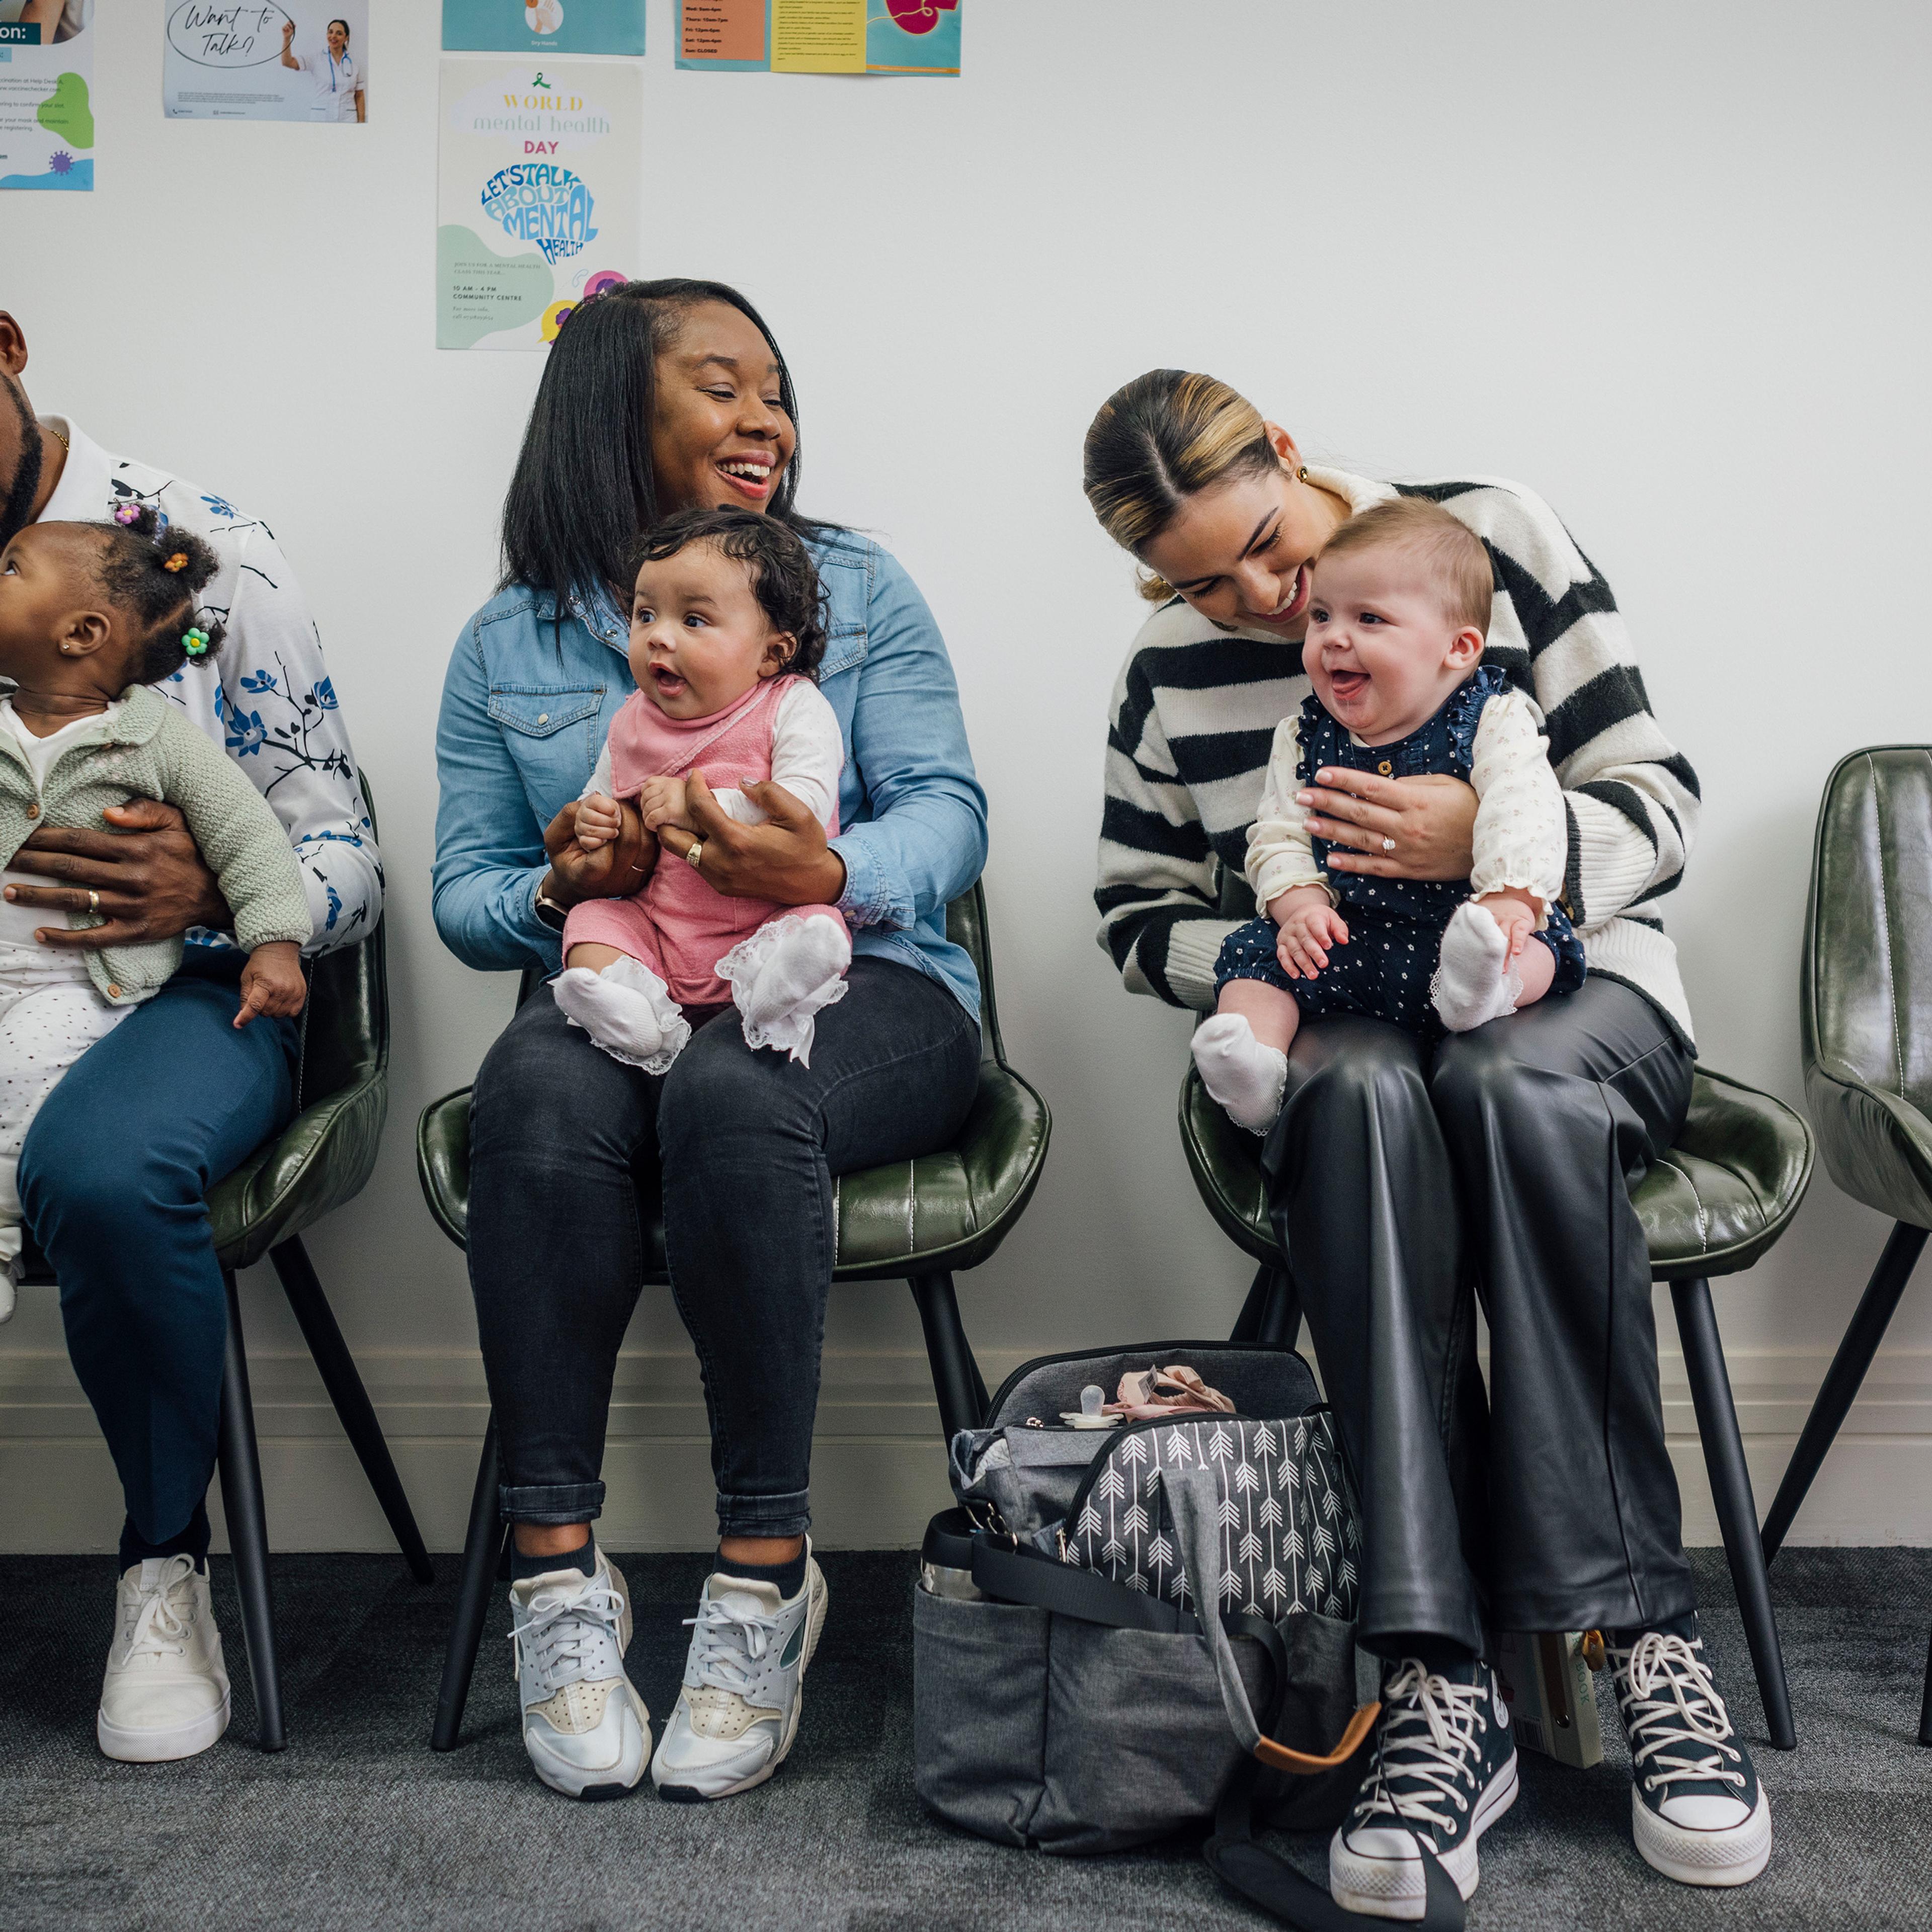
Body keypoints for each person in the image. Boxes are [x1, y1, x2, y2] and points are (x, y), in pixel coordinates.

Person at [1085, 369, 1768, 1913]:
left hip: (1569, 997)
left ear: (1281, 446)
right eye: (1199, 581)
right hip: (1337, 1027)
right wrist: (1275, 947)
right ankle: (1432, 1672)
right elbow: (1132, 915)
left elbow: (1660, 799)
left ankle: (1631, 1633)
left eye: (1263, 548)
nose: (1260, 604)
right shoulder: (1165, 676)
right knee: (1361, 1093)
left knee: (1503, 1086)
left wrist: (1492, 849)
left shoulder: (1490, 534)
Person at [434, 278, 985, 1805]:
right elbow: (466, 898)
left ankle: (761, 1580)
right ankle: (556, 1584)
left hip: (863, 986)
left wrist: (831, 873)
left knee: (743, 1085)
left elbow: (948, 807)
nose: (764, 420)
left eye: (776, 391)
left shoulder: (857, 588)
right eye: (720, 385)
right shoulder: (509, 641)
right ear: (618, 409)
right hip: (628, 983)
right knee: (534, 1087)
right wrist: (564, 882)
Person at [0, 308, 381, 1763]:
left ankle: (165, 1560)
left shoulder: (213, 554)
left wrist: (219, 886)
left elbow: (346, 844)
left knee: (104, 1177)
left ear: (9, 348)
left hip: (187, 993)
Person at [0, 507, 311, 1330]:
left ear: (81, 632)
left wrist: (272, 945)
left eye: (9, 570)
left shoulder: (158, 742)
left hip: (84, 983)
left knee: (19, 1074)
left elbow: (252, 842)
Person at [1193, 496, 1583, 1134]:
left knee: (1537, 948)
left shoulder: (1490, 717)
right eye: (1322, 615)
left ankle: (1486, 990)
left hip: (1462, 935)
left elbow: (1525, 806)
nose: (1333, 637)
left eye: (1369, 618)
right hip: (1346, 941)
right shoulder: (1302, 736)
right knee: (1256, 959)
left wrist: (1510, 899)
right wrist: (1300, 909)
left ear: (1458, 648)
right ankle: (1255, 1073)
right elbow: (1278, 834)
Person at [553, 507, 851, 1073]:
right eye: (645, 614)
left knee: (816, 926)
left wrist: (698, 808)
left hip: (770, 914)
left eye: (694, 620)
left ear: (772, 652)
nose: (659, 636)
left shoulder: (791, 706)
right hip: (663, 931)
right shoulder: (629, 722)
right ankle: (629, 1009)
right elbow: (601, 797)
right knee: (591, 922)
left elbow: (806, 805)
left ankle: (773, 992)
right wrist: (597, 821)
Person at [280, 17, 364, 125]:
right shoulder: (316, 59)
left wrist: (362, 124)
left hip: (348, 118)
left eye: (339, 33)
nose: (333, 36)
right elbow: (287, 62)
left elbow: (360, 95)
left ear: (346, 38)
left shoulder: (355, 64)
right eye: (330, 32)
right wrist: (287, 39)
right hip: (322, 117)